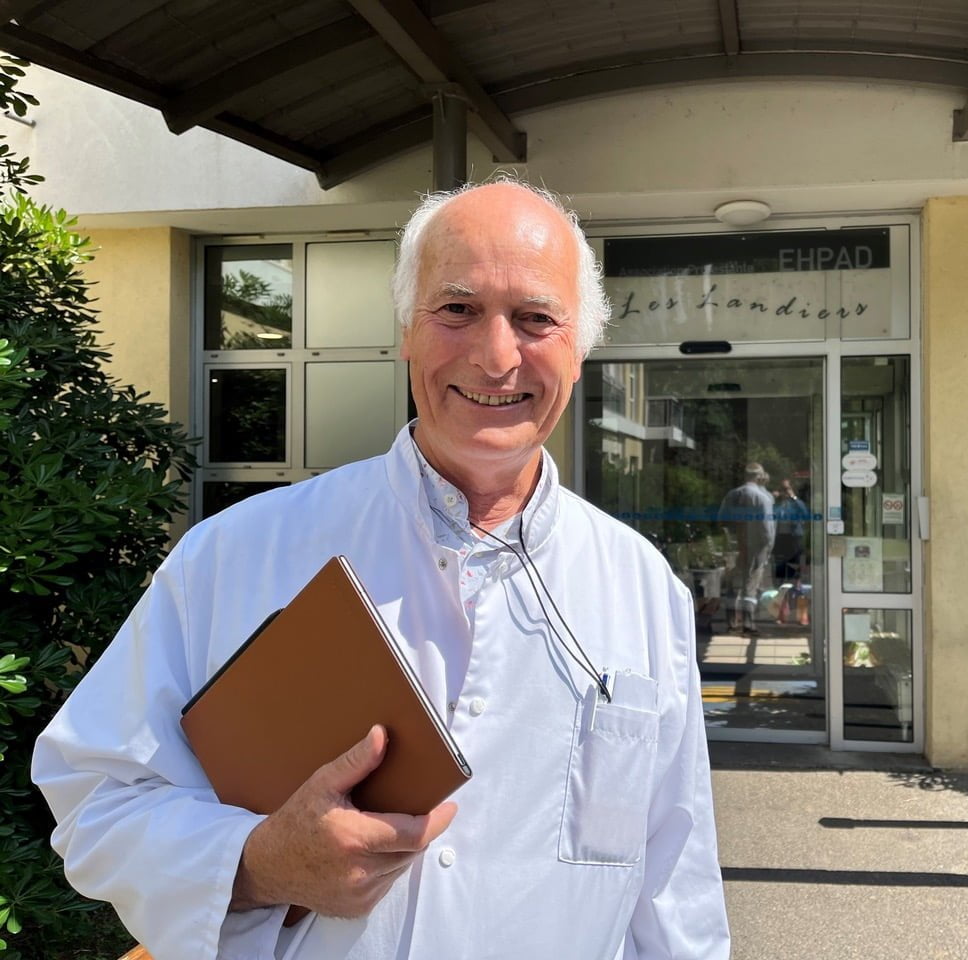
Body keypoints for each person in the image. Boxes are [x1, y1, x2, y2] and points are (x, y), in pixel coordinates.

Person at [32, 181, 730, 960]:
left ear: (580, 348)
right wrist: (256, 864)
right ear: (407, 330)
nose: (498, 356)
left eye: (536, 318)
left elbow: (676, 887)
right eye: (457, 309)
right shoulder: (235, 554)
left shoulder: (643, 588)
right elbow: (96, 799)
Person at [717, 463, 775, 634]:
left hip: (733, 545)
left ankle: (731, 622)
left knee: (732, 584)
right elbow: (767, 528)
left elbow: (721, 519)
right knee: (750, 584)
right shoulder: (762, 497)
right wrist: (768, 547)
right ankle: (748, 623)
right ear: (760, 476)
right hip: (755, 547)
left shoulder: (732, 494)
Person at [771, 478, 809, 583]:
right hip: (780, 536)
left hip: (794, 536)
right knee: (780, 561)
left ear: (792, 489)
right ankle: (780, 584)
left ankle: (794, 584)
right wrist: (772, 498)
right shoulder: (776, 504)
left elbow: (805, 513)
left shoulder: (796, 503)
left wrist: (794, 497)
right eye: (782, 489)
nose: (784, 492)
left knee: (794, 561)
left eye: (787, 488)